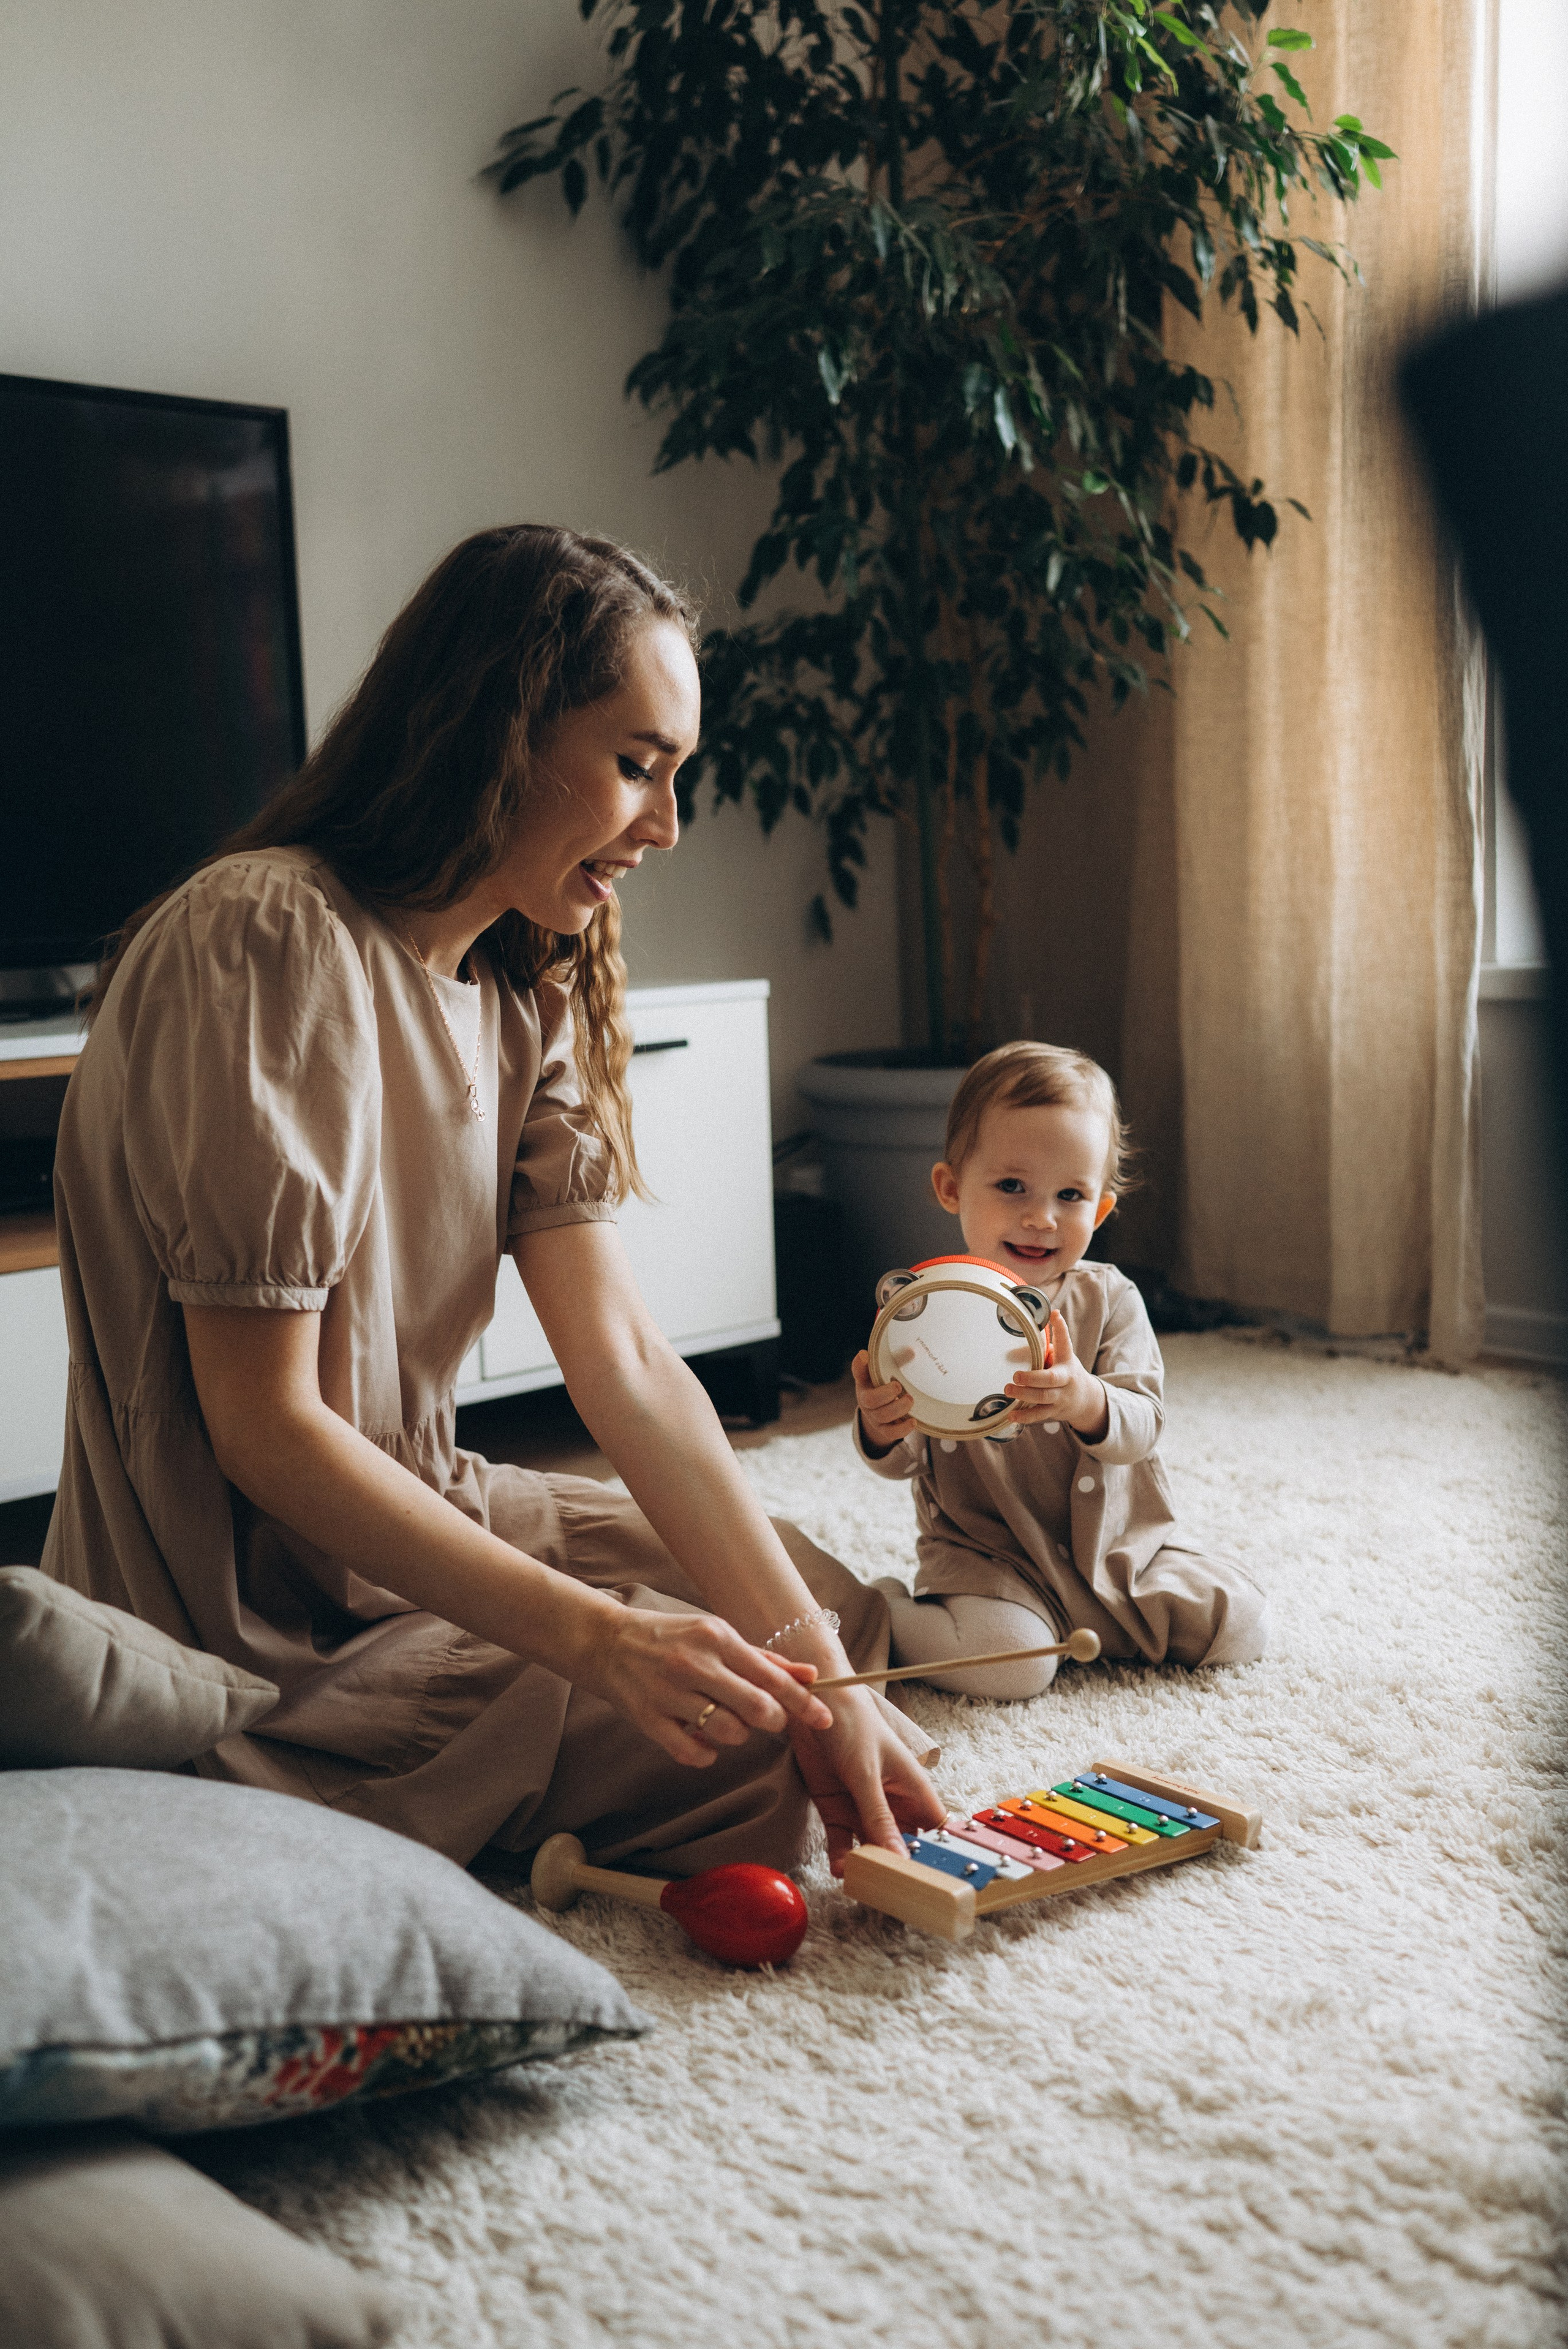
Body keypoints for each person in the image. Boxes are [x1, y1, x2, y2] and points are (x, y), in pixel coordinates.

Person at [43, 524, 943, 1878]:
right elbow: (266, 1430)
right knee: (740, 1737)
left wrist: (818, 1670)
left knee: (816, 1628)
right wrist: (593, 1638)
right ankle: (257, 1808)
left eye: (675, 774)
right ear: (497, 727)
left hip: (424, 1509)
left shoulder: (519, 990)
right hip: (255, 1613)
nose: (665, 825)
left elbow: (630, 1365)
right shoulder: (267, 936)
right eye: (635, 765)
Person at [851, 1042, 1268, 1696]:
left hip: (1119, 1553)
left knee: (1239, 1624)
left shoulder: (1111, 1300)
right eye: (1011, 1186)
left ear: (1099, 1209)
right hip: (991, 1562)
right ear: (951, 1187)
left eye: (1069, 1194)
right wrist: (880, 1427)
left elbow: (1141, 1428)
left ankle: (1093, 1619)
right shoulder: (926, 1311)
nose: (1040, 1216)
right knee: (1015, 1665)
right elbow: (902, 1460)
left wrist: (1085, 1400)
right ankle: (880, 1611)